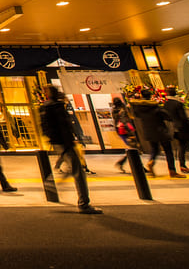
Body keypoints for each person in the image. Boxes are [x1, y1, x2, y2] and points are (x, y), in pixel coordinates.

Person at [39, 85, 102, 214]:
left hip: (57, 142)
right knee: (78, 172)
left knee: (73, 168)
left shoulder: (45, 107)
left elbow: (44, 127)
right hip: (65, 142)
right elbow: (64, 125)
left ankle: (51, 183)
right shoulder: (57, 107)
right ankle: (84, 203)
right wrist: (71, 139)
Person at [130, 88, 183, 178]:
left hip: (148, 132)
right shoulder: (154, 106)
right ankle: (172, 170)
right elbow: (167, 116)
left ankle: (151, 161)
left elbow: (135, 115)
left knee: (155, 149)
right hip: (161, 131)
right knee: (168, 151)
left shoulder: (139, 108)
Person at [111, 96, 140, 172]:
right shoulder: (123, 110)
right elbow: (125, 122)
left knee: (133, 148)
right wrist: (131, 133)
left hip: (120, 131)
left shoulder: (114, 111)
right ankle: (137, 167)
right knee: (134, 149)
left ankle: (123, 163)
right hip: (126, 131)